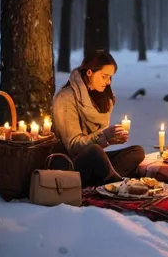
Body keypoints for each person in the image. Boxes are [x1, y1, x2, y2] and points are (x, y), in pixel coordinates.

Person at [52, 50, 145, 186]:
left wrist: (111, 139)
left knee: (137, 152)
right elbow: (73, 146)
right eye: (104, 76)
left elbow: (98, 141)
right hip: (71, 165)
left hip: (94, 160)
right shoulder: (65, 98)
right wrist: (103, 136)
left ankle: (104, 180)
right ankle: (117, 184)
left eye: (110, 77)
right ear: (89, 72)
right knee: (94, 151)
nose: (108, 82)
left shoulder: (98, 96)